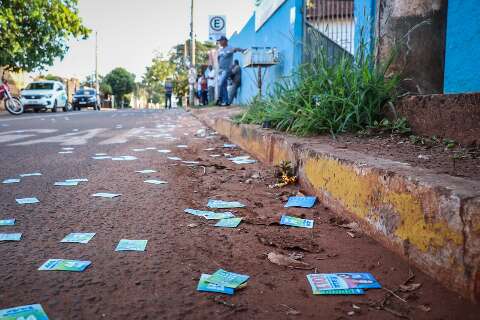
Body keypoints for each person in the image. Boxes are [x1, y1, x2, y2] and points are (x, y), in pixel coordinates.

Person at [216, 36, 244, 106]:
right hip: (222, 70)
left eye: (221, 41)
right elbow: (219, 57)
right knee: (223, 85)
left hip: (227, 69)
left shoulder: (230, 48)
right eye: (219, 41)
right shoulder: (221, 50)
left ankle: (222, 99)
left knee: (221, 83)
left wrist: (242, 50)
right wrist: (219, 63)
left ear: (225, 41)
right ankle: (226, 101)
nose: (219, 42)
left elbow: (236, 49)